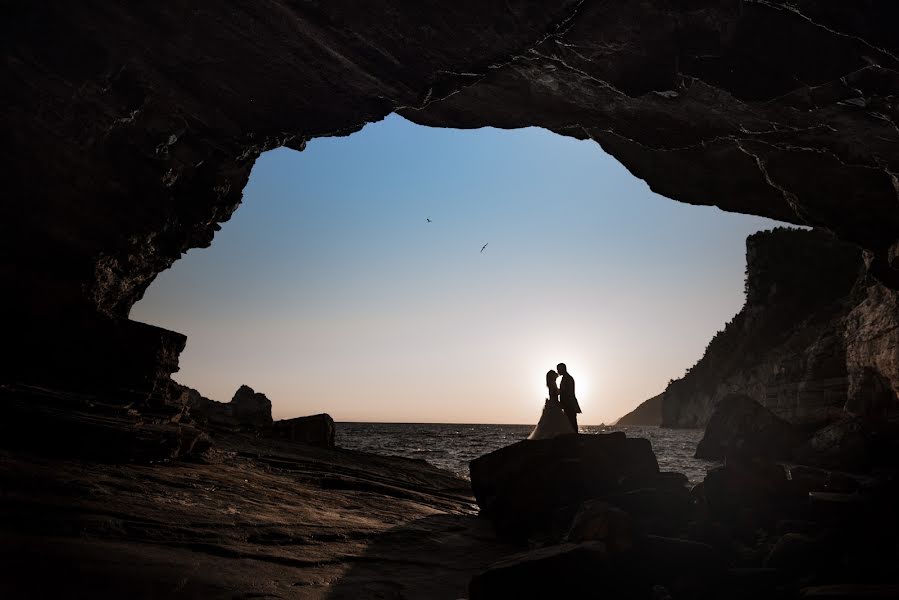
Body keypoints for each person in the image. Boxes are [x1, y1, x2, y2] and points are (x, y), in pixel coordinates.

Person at [527, 369, 575, 440]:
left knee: (551, 420)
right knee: (555, 419)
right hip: (554, 403)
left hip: (553, 402)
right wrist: (561, 393)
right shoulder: (553, 384)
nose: (557, 375)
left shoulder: (551, 384)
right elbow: (554, 394)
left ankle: (552, 434)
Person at [557, 362, 582, 432]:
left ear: (563, 369)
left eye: (558, 369)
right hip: (566, 403)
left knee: (572, 420)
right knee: (569, 421)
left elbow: (569, 392)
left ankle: (575, 436)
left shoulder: (568, 378)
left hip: (569, 403)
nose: (558, 371)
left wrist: (558, 391)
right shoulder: (565, 378)